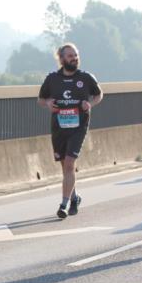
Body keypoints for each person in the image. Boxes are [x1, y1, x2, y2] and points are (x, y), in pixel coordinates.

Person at [37, 43, 104, 219]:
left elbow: (98, 94)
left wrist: (90, 103)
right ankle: (74, 198)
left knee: (69, 164)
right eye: (70, 56)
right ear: (61, 59)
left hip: (79, 126)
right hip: (59, 127)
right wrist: (49, 103)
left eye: (76, 55)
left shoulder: (86, 77)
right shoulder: (52, 79)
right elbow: (41, 99)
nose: (74, 58)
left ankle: (64, 204)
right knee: (65, 166)